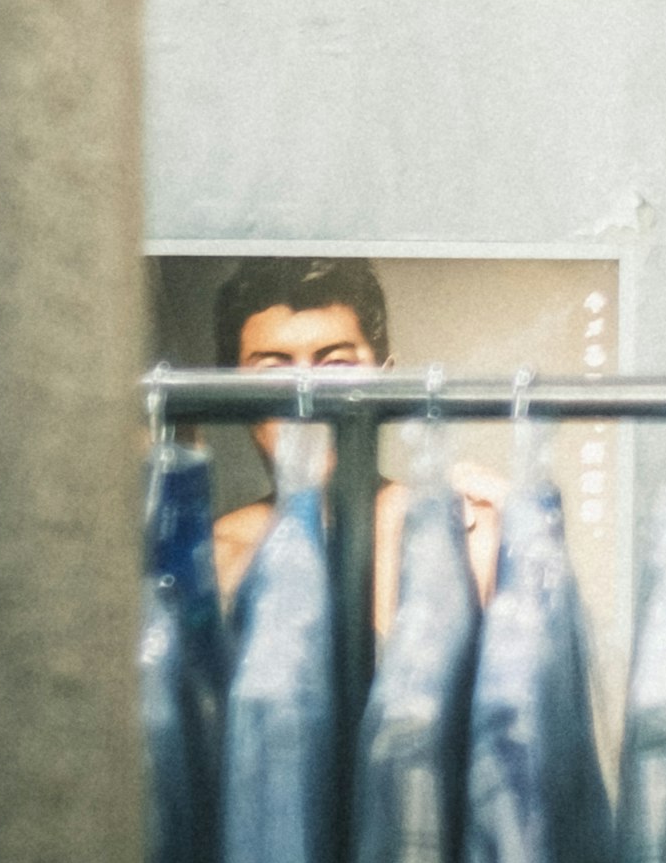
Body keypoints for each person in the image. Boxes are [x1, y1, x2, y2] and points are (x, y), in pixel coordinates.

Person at [203, 259, 501, 624]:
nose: (308, 401)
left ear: (386, 384)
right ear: (234, 400)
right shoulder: (211, 561)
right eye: (274, 372)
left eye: (336, 366)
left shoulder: (468, 537)